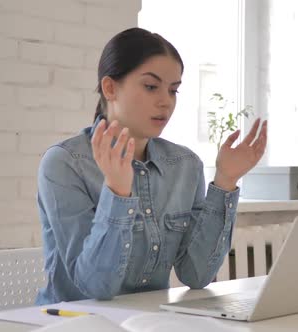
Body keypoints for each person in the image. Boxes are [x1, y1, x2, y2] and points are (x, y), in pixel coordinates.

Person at [35, 27, 267, 305]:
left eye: (173, 90)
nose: (165, 102)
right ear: (110, 88)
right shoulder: (65, 164)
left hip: (148, 320)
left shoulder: (185, 165)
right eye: (150, 86)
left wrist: (225, 181)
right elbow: (96, 286)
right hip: (72, 322)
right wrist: (118, 192)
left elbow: (197, 274)